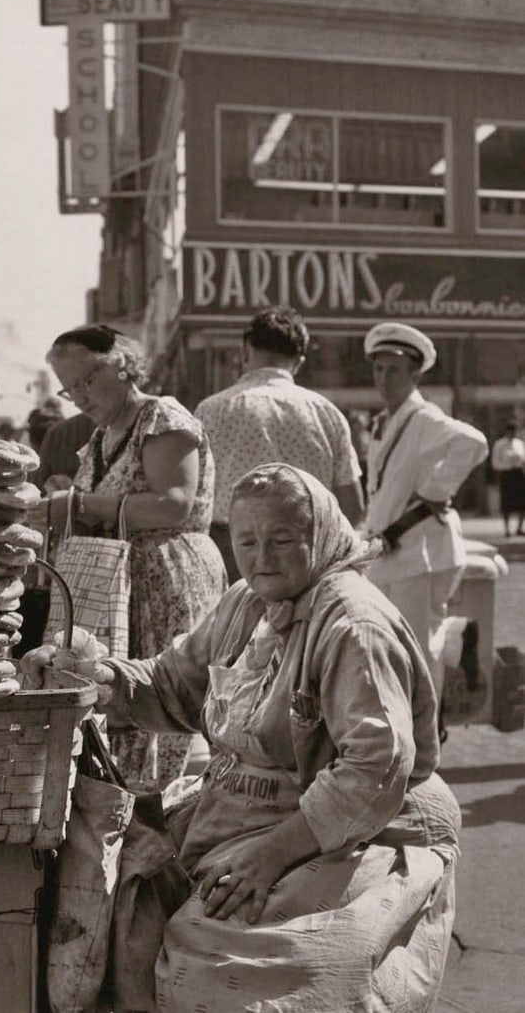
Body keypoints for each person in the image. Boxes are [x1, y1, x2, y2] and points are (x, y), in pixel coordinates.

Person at [24, 464, 459, 1010]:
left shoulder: (354, 625)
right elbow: (174, 684)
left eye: (282, 540)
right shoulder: (247, 602)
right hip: (242, 814)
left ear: (322, 535)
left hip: (356, 827)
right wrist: (99, 678)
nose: (261, 557)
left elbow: (376, 767)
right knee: (124, 905)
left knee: (217, 967)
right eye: (247, 541)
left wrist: (271, 856)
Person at [41, 325, 225, 789]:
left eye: (87, 380)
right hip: (122, 584)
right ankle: (131, 811)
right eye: (69, 389)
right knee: (119, 708)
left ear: (121, 364)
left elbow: (173, 504)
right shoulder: (103, 435)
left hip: (166, 579)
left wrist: (80, 505)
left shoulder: (162, 417)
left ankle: (156, 812)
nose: (80, 397)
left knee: (158, 705)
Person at [363, 322, 488, 706]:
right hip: (390, 551)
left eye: (394, 370)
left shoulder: (424, 417)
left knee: (417, 651)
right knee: (386, 641)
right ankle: (456, 635)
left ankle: (425, 733)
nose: (384, 378)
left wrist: (435, 489)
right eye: (379, 369)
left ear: (415, 375)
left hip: (421, 551)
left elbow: (474, 443)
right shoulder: (384, 421)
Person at [195, 306, 364, 581]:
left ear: (245, 349)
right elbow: (353, 507)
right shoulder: (326, 413)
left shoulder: (211, 411)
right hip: (305, 556)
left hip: (232, 556)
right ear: (299, 360)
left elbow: (194, 502)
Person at [491, 419, 525, 537]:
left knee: (522, 502)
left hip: (519, 475)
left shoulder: (520, 444)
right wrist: (509, 465)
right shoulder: (499, 445)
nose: (513, 434)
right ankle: (507, 529)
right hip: (507, 475)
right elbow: (495, 464)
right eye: (511, 432)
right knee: (507, 503)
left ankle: (519, 527)